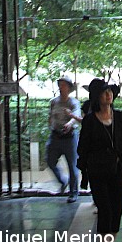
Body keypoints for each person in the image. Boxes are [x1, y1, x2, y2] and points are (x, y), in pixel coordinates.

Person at [77, 78, 122, 242]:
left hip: (118, 170)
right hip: (97, 171)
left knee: (116, 211)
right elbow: (82, 147)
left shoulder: (119, 117)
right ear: (97, 97)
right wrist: (84, 170)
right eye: (104, 92)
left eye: (110, 91)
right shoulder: (90, 121)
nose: (108, 94)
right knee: (105, 210)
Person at [46, 75, 82, 203]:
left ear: (69, 88)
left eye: (64, 85)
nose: (61, 88)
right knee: (50, 160)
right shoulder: (54, 101)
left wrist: (70, 123)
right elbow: (50, 115)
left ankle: (73, 192)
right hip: (55, 135)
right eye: (60, 85)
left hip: (69, 137)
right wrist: (51, 122)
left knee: (72, 165)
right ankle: (63, 181)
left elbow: (77, 114)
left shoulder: (73, 102)